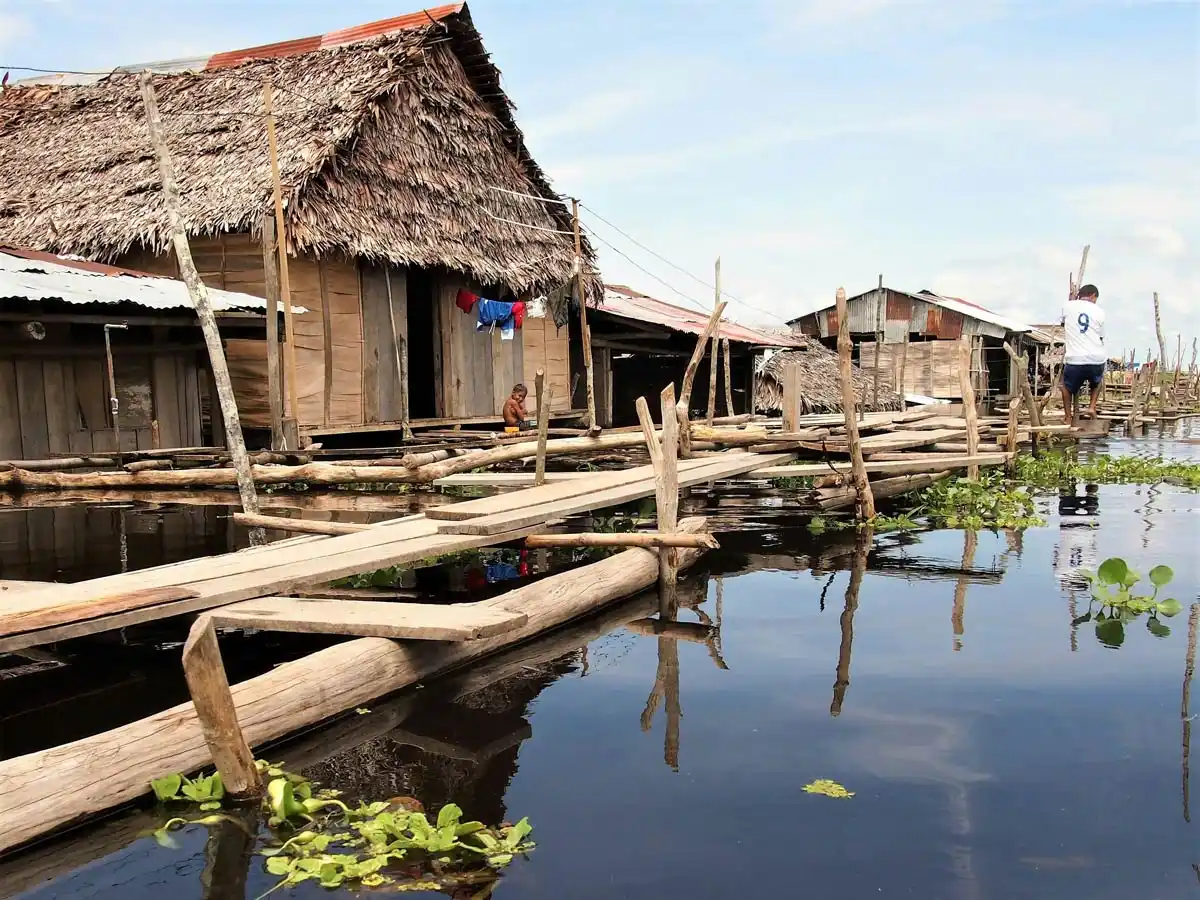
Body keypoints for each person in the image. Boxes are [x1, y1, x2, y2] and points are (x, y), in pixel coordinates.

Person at [1059, 284, 1106, 426]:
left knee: (1066, 388)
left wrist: (1070, 301)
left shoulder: (1067, 306)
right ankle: (1092, 406)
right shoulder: (1100, 311)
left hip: (1075, 359)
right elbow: (1101, 337)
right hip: (1096, 359)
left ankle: (1068, 417)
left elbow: (1063, 324)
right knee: (1097, 382)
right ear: (1092, 296)